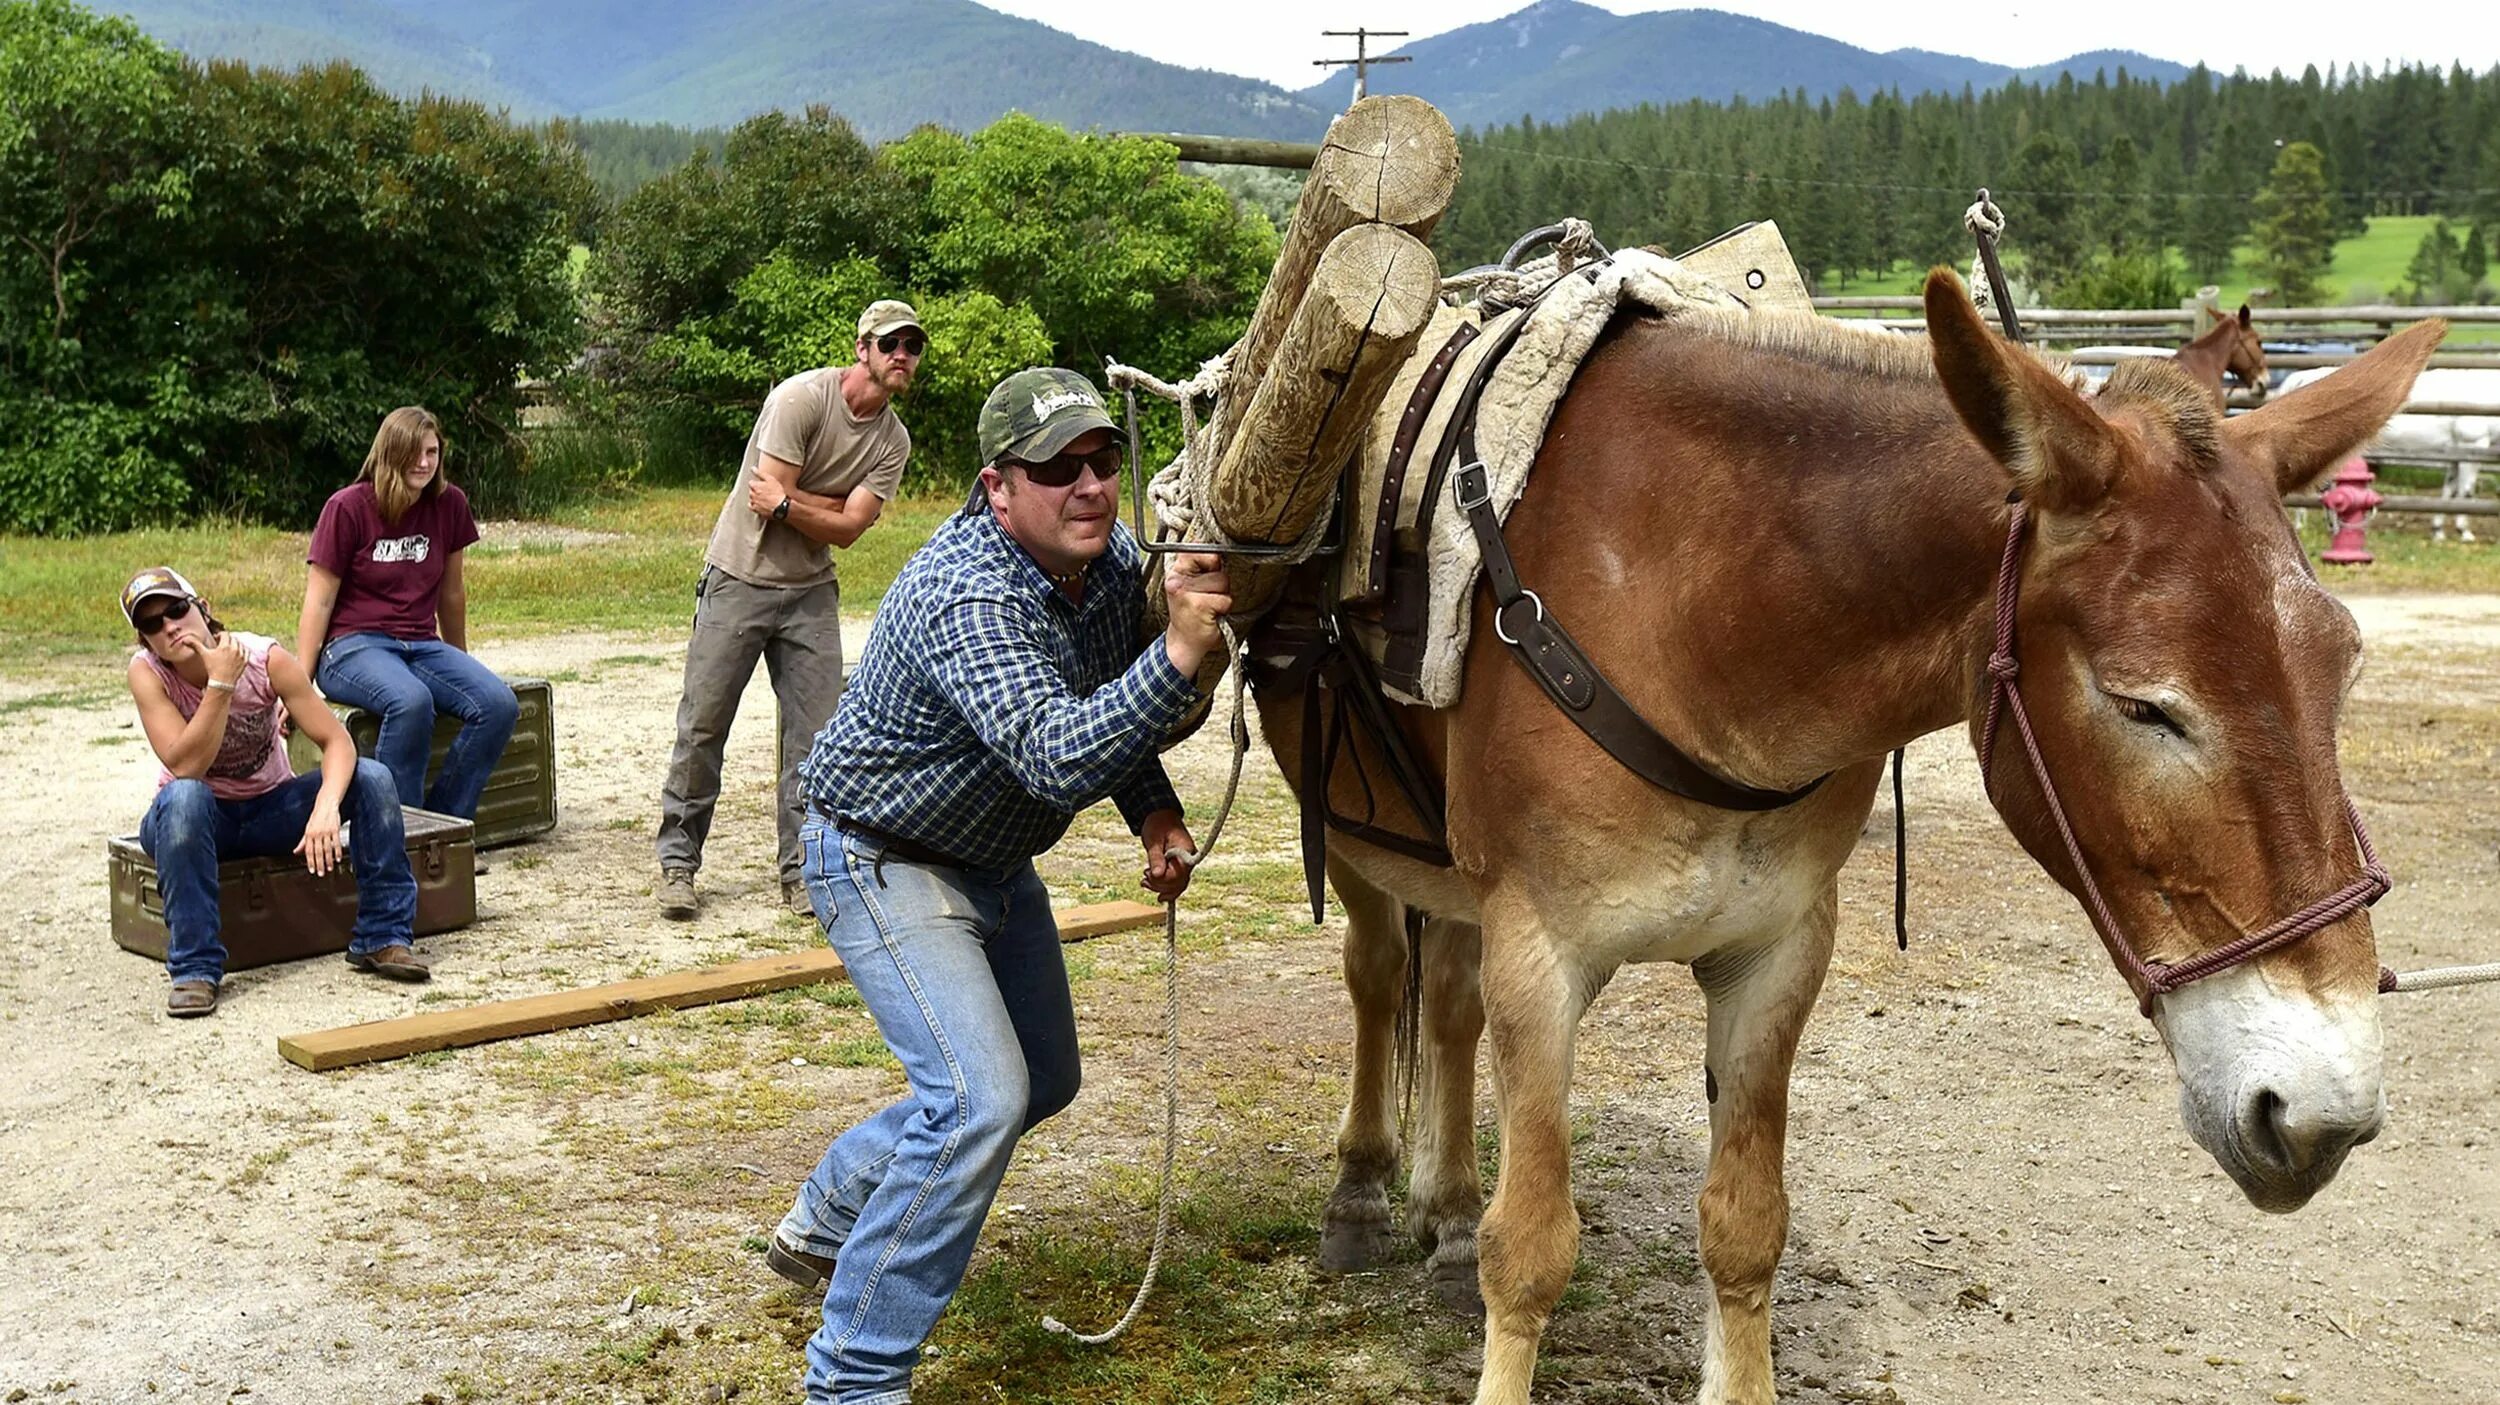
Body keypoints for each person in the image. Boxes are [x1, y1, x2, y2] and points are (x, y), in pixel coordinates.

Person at [765, 368, 1231, 1405]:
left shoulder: (1107, 565)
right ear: (995, 487)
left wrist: (1152, 807)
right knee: (979, 1100)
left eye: (1103, 461)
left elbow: (1107, 707)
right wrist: (1181, 651)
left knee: (1039, 1083)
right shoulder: (963, 590)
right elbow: (1057, 750)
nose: (1090, 486)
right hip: (881, 857)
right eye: (1055, 468)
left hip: (991, 861)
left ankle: (831, 1206)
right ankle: (851, 1379)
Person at [655, 299, 921, 920]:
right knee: (703, 725)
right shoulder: (801, 400)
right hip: (738, 577)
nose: (903, 356)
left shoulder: (893, 440)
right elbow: (760, 497)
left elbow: (847, 529)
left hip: (810, 590)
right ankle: (677, 865)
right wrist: (821, 504)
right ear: (864, 349)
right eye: (892, 345)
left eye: (912, 347)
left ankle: (802, 874)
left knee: (817, 739)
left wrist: (795, 501)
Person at [124, 567, 428, 1017]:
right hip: (193, 821)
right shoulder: (147, 673)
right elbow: (186, 767)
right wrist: (220, 685)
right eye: (151, 624)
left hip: (269, 809)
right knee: (187, 796)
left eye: (176, 610)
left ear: (202, 609)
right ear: (145, 640)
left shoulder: (266, 659)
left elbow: (336, 741)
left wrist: (326, 806)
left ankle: (383, 937)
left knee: (373, 778)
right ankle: (195, 969)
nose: (169, 626)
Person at [297, 407, 519, 822]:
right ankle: (397, 834)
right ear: (388, 453)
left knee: (497, 702)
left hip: (419, 644)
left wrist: (462, 663)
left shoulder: (449, 504)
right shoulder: (347, 507)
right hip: (351, 647)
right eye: (413, 453)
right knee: (410, 701)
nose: (424, 463)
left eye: (432, 452)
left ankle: (442, 828)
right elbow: (319, 600)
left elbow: (451, 594)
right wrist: (300, 685)